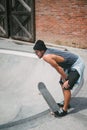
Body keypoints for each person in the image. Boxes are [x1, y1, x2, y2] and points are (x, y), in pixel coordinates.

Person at [33, 40, 85, 117]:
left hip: (77, 64)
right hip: (69, 65)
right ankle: (66, 103)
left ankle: (64, 110)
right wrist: (64, 78)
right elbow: (60, 67)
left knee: (66, 86)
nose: (36, 54)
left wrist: (66, 79)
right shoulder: (47, 52)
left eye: (37, 52)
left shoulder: (46, 57)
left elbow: (58, 68)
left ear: (42, 50)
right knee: (62, 82)